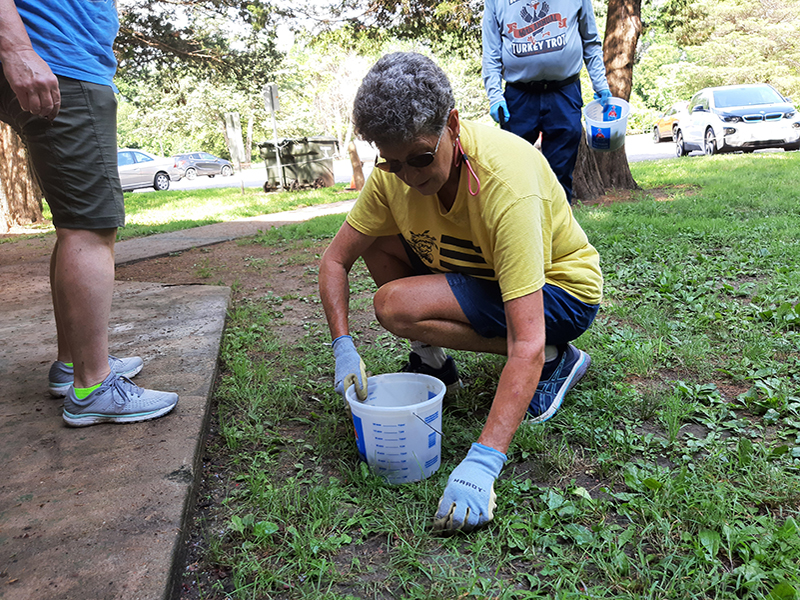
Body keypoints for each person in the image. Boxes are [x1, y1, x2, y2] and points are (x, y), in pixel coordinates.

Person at [319, 52, 602, 532]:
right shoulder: (396, 174)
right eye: (392, 164)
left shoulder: (505, 181)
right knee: (376, 237)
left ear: (452, 123)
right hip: (486, 279)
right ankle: (434, 363)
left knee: (395, 305)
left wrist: (484, 462)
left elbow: (524, 342)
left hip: (560, 292)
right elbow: (334, 260)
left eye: (420, 159)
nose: (408, 176)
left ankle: (560, 360)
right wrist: (342, 345)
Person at [0, 0, 179, 426]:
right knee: (89, 227)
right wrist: (17, 49)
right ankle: (93, 386)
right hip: (58, 61)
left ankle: (72, 366)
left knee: (74, 226)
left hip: (60, 60)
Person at [482, 0, 612, 203]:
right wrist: (495, 95)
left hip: (564, 93)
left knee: (560, 175)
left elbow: (590, 41)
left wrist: (601, 84)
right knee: (514, 174)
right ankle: (520, 230)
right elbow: (491, 52)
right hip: (519, 98)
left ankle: (559, 233)